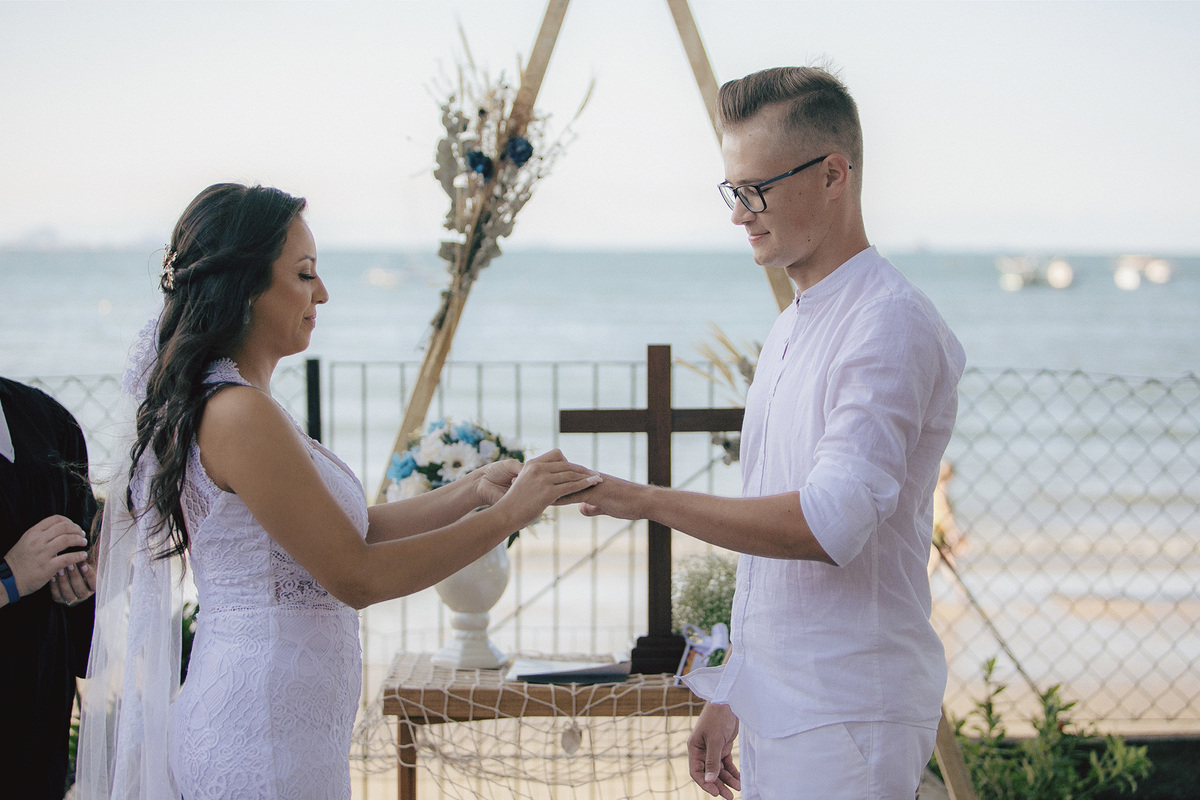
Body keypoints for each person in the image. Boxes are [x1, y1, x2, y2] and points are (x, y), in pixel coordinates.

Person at [75, 183, 601, 800]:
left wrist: (473, 492)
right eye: (304, 274)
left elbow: (354, 531)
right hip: (258, 736)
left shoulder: (240, 404)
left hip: (281, 729)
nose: (322, 292)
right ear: (245, 287)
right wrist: (509, 515)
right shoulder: (238, 413)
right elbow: (357, 576)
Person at [572, 66, 966, 799]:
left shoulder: (888, 323)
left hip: (850, 713)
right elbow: (774, 557)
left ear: (833, 175)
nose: (738, 214)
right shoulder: (792, 324)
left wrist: (646, 499)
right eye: (732, 190)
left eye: (756, 190)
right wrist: (733, 691)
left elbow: (825, 524)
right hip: (782, 709)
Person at [1, 377, 98, 799]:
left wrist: (81, 584)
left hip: (37, 712)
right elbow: (18, 574)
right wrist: (11, 577)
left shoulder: (47, 419)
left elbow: (83, 541)